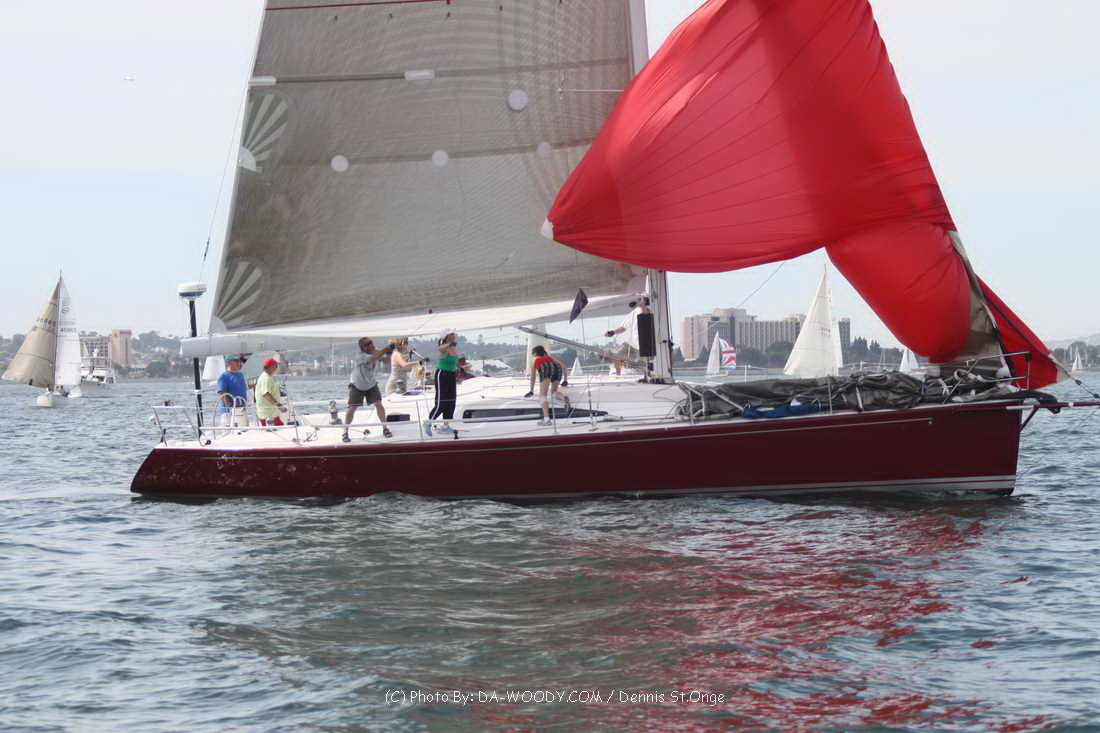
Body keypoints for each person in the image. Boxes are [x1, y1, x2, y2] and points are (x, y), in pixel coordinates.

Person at [345, 337, 394, 442]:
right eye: (367, 344)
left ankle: (385, 428)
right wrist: (386, 349)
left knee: (379, 404)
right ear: (362, 347)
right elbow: (373, 358)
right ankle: (345, 432)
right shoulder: (359, 355)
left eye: (370, 342)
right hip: (357, 384)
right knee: (352, 408)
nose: (370, 345)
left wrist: (390, 352)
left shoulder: (376, 351)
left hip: (371, 384)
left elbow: (386, 361)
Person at [605, 298, 651, 379]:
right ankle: (617, 375)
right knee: (616, 355)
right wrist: (613, 332)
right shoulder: (634, 312)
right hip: (631, 343)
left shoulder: (652, 310)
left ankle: (648, 377)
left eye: (642, 301)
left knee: (647, 364)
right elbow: (623, 327)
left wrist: (642, 305)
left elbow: (645, 313)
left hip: (644, 345)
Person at [526, 345, 570, 425]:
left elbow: (533, 377)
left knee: (542, 396)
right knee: (554, 392)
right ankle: (564, 398)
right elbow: (564, 367)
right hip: (557, 369)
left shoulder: (535, 360)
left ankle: (546, 419)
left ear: (535, 353)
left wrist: (531, 390)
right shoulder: (550, 358)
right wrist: (565, 380)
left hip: (545, 368)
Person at [427, 331, 459, 433]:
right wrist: (449, 344)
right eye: (451, 334)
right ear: (446, 336)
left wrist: (460, 368)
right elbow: (440, 349)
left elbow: (454, 362)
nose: (454, 335)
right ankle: (428, 423)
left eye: (454, 334)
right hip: (442, 374)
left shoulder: (453, 347)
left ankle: (446, 425)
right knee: (441, 402)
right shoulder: (443, 346)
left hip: (451, 375)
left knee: (451, 401)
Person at [216, 354, 248, 427]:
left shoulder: (241, 375)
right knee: (230, 430)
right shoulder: (224, 376)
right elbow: (222, 392)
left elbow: (243, 388)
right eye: (236, 361)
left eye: (239, 361)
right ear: (229, 363)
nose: (238, 363)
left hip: (241, 409)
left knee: (243, 429)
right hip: (229, 412)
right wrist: (229, 406)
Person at [255, 356, 288, 427]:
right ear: (271, 367)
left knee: (281, 428)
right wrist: (279, 405)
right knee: (281, 430)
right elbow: (266, 394)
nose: (276, 368)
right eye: (276, 366)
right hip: (268, 414)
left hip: (271, 413)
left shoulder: (266, 377)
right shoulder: (266, 378)